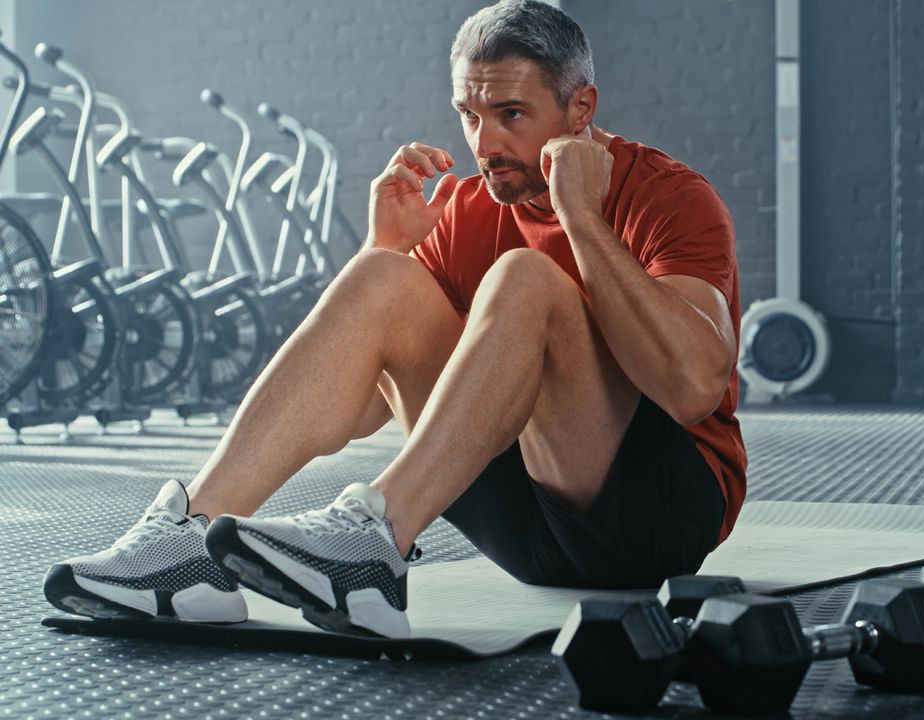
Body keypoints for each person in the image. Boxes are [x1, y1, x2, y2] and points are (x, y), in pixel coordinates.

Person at [43, 0, 746, 639]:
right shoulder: (473, 208)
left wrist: (582, 221)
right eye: (469, 116)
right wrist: (387, 250)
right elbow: (356, 413)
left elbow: (692, 388)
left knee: (527, 278)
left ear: (580, 106)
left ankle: (372, 540)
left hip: (655, 521)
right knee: (384, 275)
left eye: (510, 114)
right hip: (528, 531)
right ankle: (187, 544)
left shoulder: (668, 196)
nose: (483, 141)